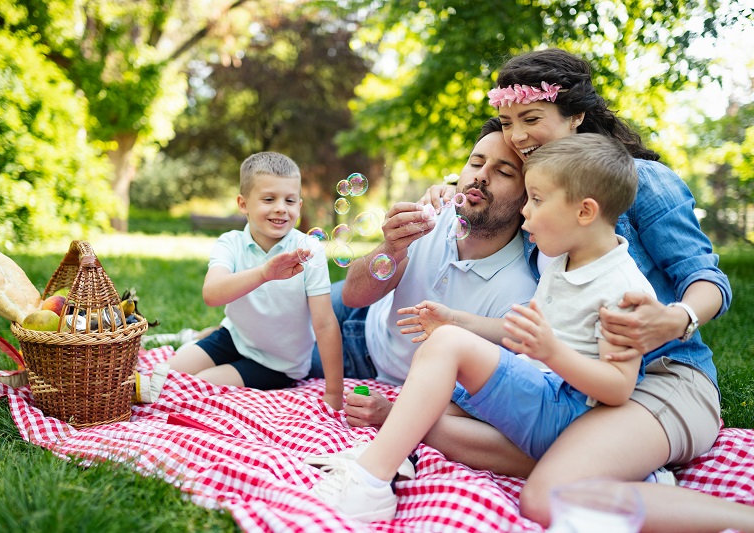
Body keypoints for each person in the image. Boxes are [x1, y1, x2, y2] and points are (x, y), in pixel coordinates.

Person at [421, 49, 752, 532]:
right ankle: (629, 474)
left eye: (530, 118)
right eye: (507, 121)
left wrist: (675, 317)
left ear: (577, 114)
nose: (516, 136)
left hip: (661, 378)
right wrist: (451, 187)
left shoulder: (643, 181)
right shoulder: (543, 199)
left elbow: (707, 279)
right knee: (430, 415)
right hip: (576, 385)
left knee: (548, 495)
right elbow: (486, 199)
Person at [309, 133, 657, 522]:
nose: (528, 213)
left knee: (445, 349)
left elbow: (619, 387)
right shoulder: (560, 262)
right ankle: (392, 453)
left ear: (584, 212)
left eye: (534, 198)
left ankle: (371, 480)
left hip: (561, 405)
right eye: (475, 163)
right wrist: (453, 318)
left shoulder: (622, 290)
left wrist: (548, 351)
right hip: (385, 338)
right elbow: (517, 332)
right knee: (435, 408)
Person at [306, 118, 539, 429]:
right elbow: (353, 296)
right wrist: (390, 247)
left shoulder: (519, 289)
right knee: (272, 307)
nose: (481, 177)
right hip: (365, 319)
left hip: (362, 359)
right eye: (476, 162)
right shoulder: (433, 217)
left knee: (269, 355)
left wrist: (396, 410)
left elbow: (475, 399)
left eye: (504, 172)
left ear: (527, 196)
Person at [166, 151, 344, 410]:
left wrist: (334, 392)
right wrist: (264, 274)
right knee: (168, 376)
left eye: (290, 200)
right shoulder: (231, 242)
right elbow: (212, 294)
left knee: (202, 384)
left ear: (300, 206)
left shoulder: (308, 250)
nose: (281, 208)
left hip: (277, 362)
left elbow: (325, 323)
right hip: (234, 337)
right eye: (269, 199)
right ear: (243, 204)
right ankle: (207, 336)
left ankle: (206, 343)